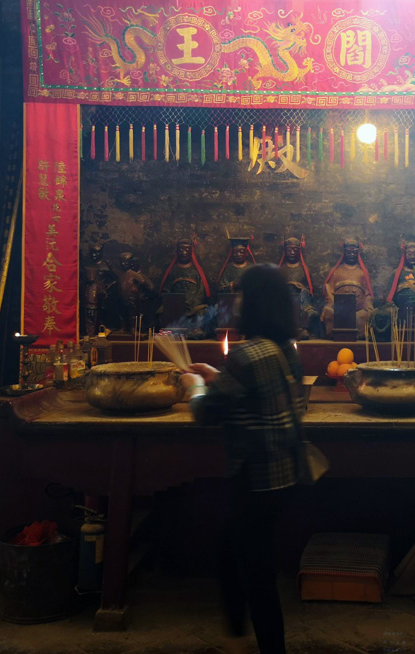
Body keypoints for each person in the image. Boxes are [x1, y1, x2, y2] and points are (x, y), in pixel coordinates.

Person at [182, 265, 304, 654]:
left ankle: (264, 644)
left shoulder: (247, 353)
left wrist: (195, 386)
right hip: (286, 472)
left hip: (255, 477)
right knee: (229, 548)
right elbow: (257, 391)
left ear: (253, 303)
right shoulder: (286, 349)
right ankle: (236, 631)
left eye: (240, 295)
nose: (235, 303)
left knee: (256, 575)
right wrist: (216, 377)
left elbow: (206, 413)